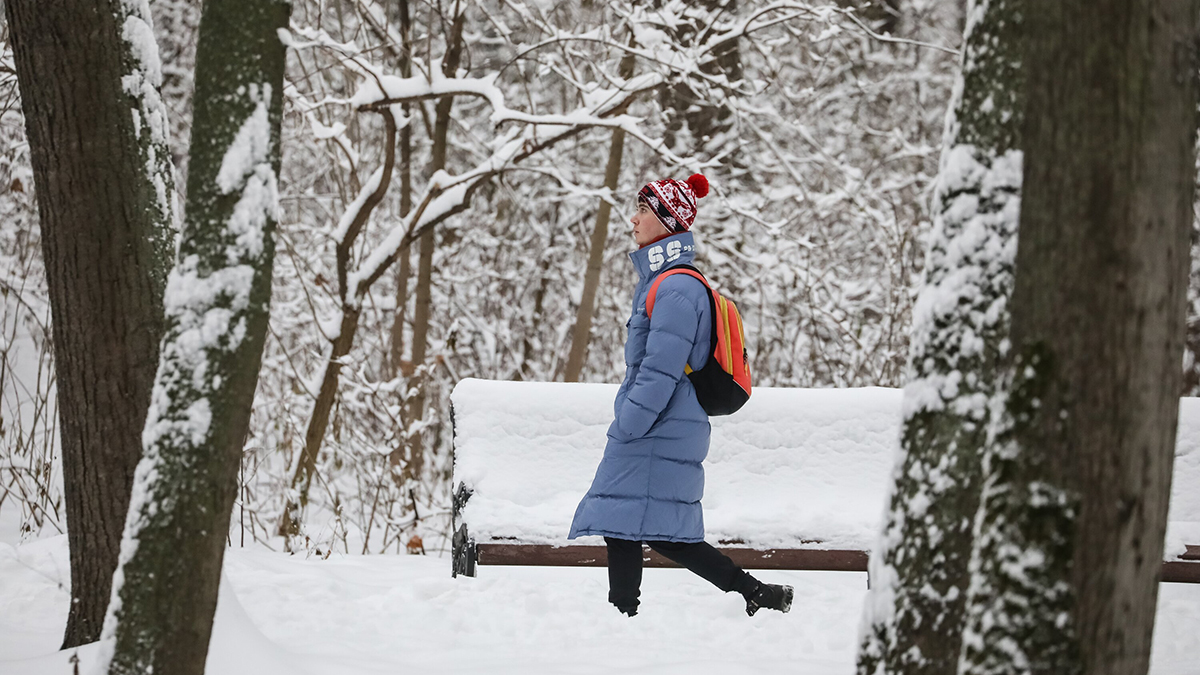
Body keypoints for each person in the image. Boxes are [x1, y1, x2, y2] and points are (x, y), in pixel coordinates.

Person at [568, 174, 793, 618]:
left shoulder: (676, 287)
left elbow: (660, 368)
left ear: (668, 224)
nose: (633, 219)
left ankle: (622, 616)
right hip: (667, 423)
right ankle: (756, 593)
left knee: (625, 521)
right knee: (658, 529)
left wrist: (630, 420)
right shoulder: (668, 282)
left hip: (657, 425)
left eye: (645, 212)